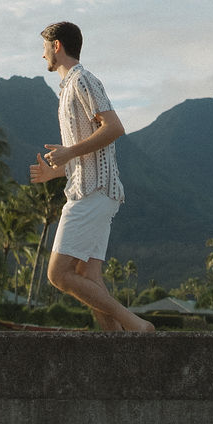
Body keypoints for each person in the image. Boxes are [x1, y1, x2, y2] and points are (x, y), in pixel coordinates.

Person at [29, 22, 155, 332]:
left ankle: (135, 324)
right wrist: (56, 171)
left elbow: (113, 128)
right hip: (95, 190)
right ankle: (117, 347)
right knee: (88, 279)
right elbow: (90, 153)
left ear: (56, 46)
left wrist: (69, 153)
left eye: (44, 46)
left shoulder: (83, 80)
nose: (41, 53)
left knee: (58, 275)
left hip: (92, 193)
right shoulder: (69, 87)